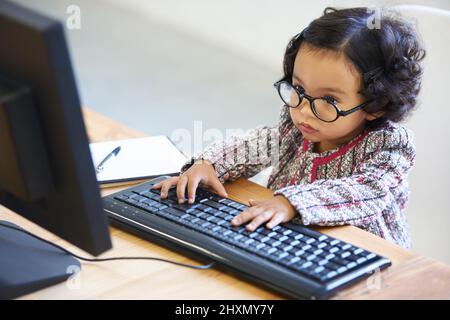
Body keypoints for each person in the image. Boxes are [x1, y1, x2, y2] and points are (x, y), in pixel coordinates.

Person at [151, 7, 425, 248]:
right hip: (289, 240)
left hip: (366, 260)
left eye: (329, 99)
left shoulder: (389, 147)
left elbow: (367, 191)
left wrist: (292, 203)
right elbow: (258, 143)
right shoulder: (297, 127)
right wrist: (209, 164)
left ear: (377, 104)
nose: (304, 109)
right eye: (299, 89)